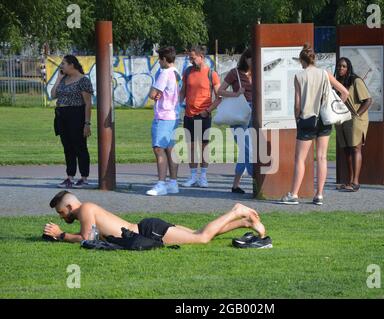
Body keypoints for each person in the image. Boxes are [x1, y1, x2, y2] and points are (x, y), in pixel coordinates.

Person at [43, 191, 269, 248]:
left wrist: (60, 235)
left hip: (147, 232)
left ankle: (236, 210)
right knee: (197, 233)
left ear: (70, 207)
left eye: (61, 213)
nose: (62, 217)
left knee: (201, 238)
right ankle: (244, 222)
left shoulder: (84, 209)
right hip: (147, 228)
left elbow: (87, 237)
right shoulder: (87, 208)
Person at [280, 44, 349, 206]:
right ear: (314, 59)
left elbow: (297, 104)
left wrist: (296, 119)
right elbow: (344, 92)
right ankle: (319, 195)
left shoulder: (299, 76)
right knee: (322, 157)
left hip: (307, 118)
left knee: (300, 159)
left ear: (302, 61)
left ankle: (294, 194)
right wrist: (335, 108)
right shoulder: (325, 73)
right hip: (324, 119)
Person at [178, 45, 221, 188]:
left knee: (204, 148)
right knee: (190, 147)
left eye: (193, 58)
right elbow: (183, 91)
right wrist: (177, 106)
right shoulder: (187, 72)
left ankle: (203, 177)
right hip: (189, 115)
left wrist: (208, 110)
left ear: (201, 57)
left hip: (203, 116)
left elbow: (219, 97)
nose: (190, 60)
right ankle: (192, 177)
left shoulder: (211, 74)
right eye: (190, 58)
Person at [51, 55, 93, 189]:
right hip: (62, 116)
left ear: (72, 65)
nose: (61, 66)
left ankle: (84, 178)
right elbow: (53, 95)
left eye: (63, 64)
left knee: (79, 147)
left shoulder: (83, 80)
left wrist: (87, 123)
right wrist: (58, 79)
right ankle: (70, 177)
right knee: (67, 147)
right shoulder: (63, 79)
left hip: (77, 115)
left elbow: (88, 104)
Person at [217, 48, 253, 194]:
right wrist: (235, 93)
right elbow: (220, 91)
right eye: (251, 58)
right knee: (248, 148)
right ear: (245, 59)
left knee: (246, 150)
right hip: (239, 113)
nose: (254, 62)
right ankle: (256, 177)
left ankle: (235, 186)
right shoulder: (235, 73)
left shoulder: (258, 73)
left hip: (254, 114)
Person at [146, 46, 181, 196]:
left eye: (160, 59)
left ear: (165, 59)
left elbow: (152, 94)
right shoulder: (176, 72)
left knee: (158, 149)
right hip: (174, 115)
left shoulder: (164, 73)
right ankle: (173, 182)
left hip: (163, 115)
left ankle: (161, 183)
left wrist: (154, 94)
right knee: (170, 149)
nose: (158, 62)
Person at [334, 57, 373, 192]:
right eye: (339, 66)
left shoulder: (356, 81)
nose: (341, 68)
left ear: (348, 67)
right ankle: (349, 180)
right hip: (342, 119)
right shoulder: (337, 82)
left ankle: (355, 182)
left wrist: (357, 114)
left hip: (356, 119)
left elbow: (368, 100)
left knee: (355, 148)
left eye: (344, 66)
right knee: (346, 150)